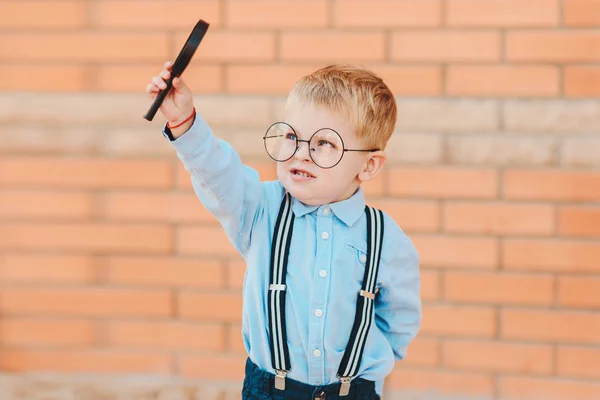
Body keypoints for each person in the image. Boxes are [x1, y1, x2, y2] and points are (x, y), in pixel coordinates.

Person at [146, 62, 422, 400]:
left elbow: (398, 320)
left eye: (324, 143)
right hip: (271, 392)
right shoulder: (261, 209)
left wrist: (366, 373)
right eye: (292, 136)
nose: (301, 153)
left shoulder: (387, 239)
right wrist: (184, 122)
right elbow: (219, 173)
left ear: (368, 165)